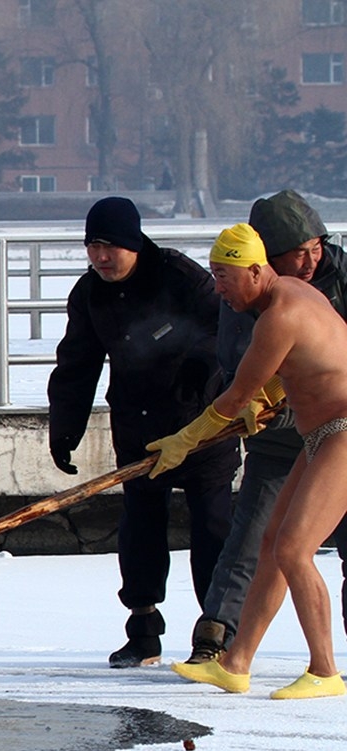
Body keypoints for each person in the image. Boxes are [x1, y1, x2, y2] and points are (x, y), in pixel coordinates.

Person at [151, 224, 347, 699]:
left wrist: (183, 439)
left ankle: (325, 671)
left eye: (224, 275)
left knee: (294, 550)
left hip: (343, 432)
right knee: (271, 544)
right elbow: (311, 360)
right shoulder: (295, 292)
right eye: (215, 275)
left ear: (256, 271)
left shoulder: (279, 316)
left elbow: (235, 395)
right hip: (321, 433)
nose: (217, 287)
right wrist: (272, 395)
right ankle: (235, 663)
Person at [47, 196, 237, 668]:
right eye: (92, 246)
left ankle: (216, 631)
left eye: (110, 246)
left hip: (202, 425)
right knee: (140, 527)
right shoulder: (89, 294)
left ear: (133, 243)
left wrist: (201, 368)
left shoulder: (180, 277)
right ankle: (143, 630)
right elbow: (77, 362)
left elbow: (228, 332)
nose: (101, 258)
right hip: (139, 425)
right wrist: (65, 425)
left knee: (213, 527)